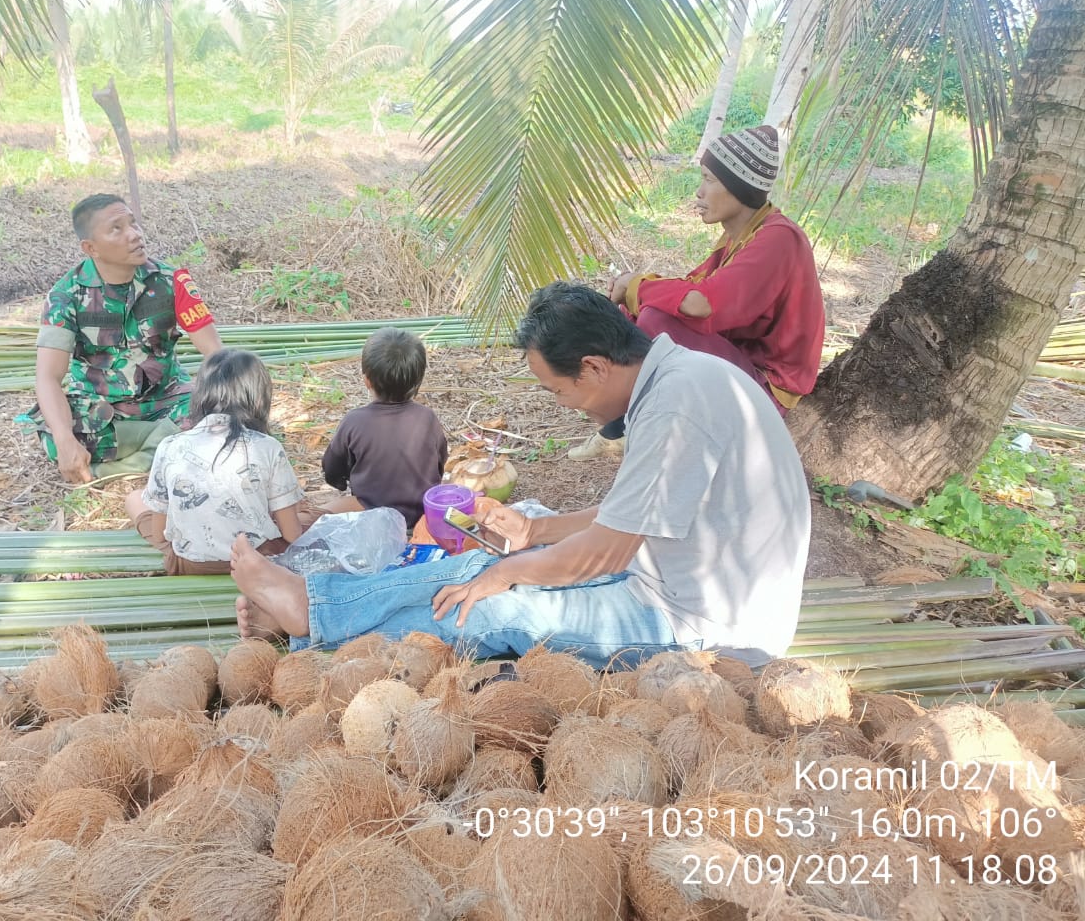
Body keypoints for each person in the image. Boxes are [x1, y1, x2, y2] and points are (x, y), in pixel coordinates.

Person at [230, 282, 811, 669]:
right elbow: (632, 517)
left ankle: (312, 622)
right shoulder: (680, 379)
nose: (564, 406)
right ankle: (314, 605)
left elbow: (605, 550)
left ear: (593, 367)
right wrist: (534, 533)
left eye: (557, 392)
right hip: (669, 580)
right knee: (484, 566)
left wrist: (511, 571)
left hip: (703, 625)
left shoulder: (677, 407)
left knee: (492, 606)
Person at [568, 124, 825, 461]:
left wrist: (637, 286)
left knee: (657, 319)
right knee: (635, 313)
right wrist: (632, 297)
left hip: (766, 388)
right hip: (744, 367)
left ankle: (625, 427)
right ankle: (619, 423)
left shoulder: (779, 239)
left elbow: (700, 304)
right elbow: (693, 288)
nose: (699, 192)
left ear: (740, 187)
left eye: (709, 179)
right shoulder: (741, 237)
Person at [17, 193, 225, 482]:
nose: (134, 234)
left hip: (169, 400)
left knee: (221, 412)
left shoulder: (171, 281)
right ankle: (168, 446)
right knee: (55, 434)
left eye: (133, 223)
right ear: (91, 247)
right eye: (117, 229)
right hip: (102, 411)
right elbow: (48, 377)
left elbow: (215, 354)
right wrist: (65, 441)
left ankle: (125, 464)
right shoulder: (65, 296)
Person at [125, 349, 304, 576]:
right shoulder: (268, 447)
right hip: (258, 561)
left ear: (200, 395)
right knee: (308, 514)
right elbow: (292, 535)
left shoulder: (170, 445)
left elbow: (160, 535)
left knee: (134, 499)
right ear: (259, 398)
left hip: (190, 565)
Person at [319, 327, 448, 529]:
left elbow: (332, 470)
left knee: (315, 515)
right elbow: (440, 463)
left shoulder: (354, 421)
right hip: (421, 515)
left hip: (372, 517)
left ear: (367, 381)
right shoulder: (427, 418)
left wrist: (341, 483)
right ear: (419, 381)